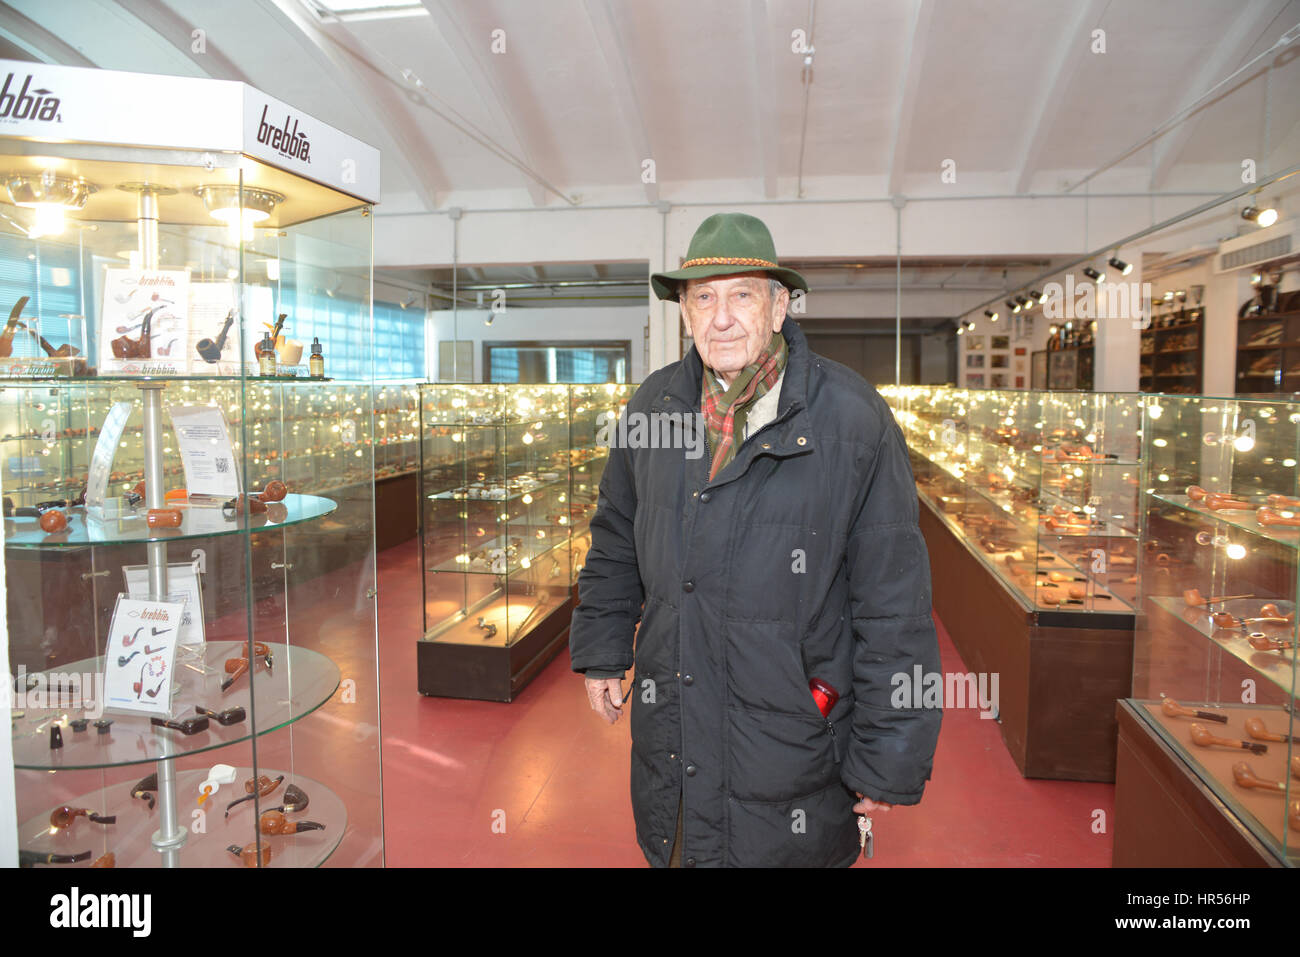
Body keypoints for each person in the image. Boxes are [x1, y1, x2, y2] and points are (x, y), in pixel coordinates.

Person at [569, 212, 941, 867]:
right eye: (703, 297)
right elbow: (616, 537)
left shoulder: (852, 420)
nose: (721, 317)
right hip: (675, 741)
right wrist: (601, 647)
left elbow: (894, 599)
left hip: (794, 748)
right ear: (684, 313)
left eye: (742, 294)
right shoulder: (653, 408)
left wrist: (889, 753)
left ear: (778, 307)